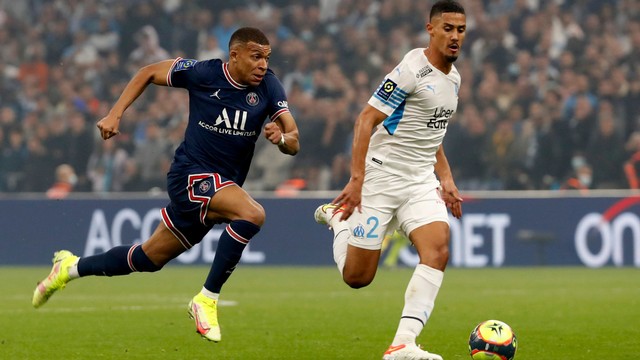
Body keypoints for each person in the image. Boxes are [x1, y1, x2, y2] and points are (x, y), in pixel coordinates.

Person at [32, 27, 300, 343]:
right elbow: (147, 72)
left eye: (266, 58)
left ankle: (69, 268)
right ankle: (207, 298)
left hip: (220, 187)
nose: (263, 65)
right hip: (190, 175)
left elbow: (294, 139)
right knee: (253, 214)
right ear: (235, 54)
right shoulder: (204, 73)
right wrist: (115, 114)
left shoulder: (269, 87)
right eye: (256, 57)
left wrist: (281, 138)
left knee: (148, 259)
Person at [314, 2, 465, 359]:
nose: (455, 36)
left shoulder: (454, 79)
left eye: (460, 29)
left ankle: (403, 344)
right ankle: (339, 220)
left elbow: (431, 134)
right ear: (430, 29)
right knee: (357, 278)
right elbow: (365, 120)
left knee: (438, 249)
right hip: (382, 176)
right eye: (447, 28)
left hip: (419, 180)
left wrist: (446, 179)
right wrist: (357, 180)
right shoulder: (411, 70)